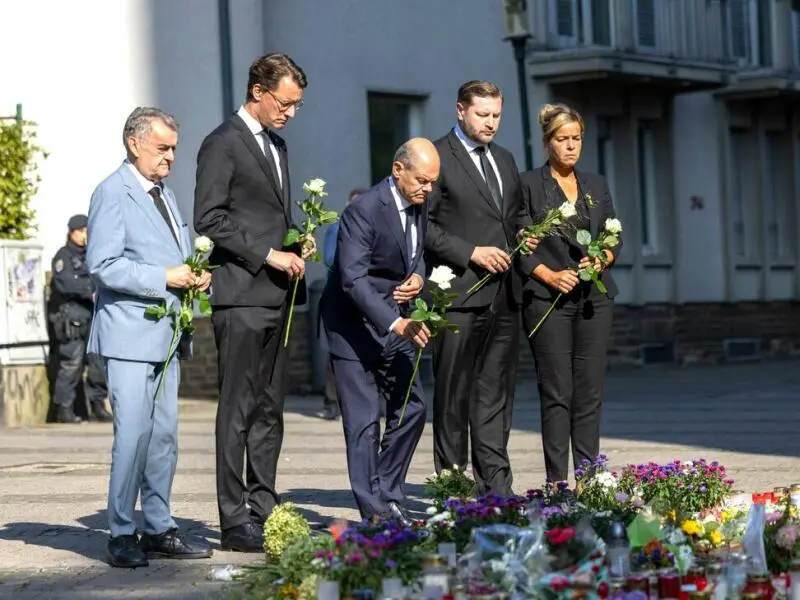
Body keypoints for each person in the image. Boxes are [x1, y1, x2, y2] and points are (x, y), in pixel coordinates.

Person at [194, 53, 314, 552]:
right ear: (258, 92)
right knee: (238, 408)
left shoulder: (277, 143)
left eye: (297, 105)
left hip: (277, 295)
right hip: (241, 294)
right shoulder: (222, 143)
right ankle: (232, 516)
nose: (290, 112)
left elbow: (267, 212)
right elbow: (209, 217)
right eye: (285, 103)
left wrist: (295, 241)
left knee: (270, 409)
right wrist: (268, 253)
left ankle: (265, 504)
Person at [86, 107, 213, 568]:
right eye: (163, 148)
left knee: (163, 439)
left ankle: (158, 526)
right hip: (128, 336)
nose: (171, 157)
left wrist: (195, 276)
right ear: (134, 143)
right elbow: (102, 265)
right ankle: (121, 532)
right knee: (134, 435)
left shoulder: (164, 194)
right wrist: (166, 276)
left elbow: (174, 255)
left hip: (167, 332)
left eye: (174, 149)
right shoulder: (112, 192)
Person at [321, 138, 438, 523]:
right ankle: (373, 511)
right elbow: (353, 280)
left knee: (413, 406)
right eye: (422, 180)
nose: (428, 189)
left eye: (433, 182)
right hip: (353, 326)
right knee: (364, 421)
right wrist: (396, 322)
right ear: (397, 169)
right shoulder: (364, 210)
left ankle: (387, 491)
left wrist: (419, 278)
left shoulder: (421, 204)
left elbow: (419, 254)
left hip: (396, 320)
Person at [424, 80, 531, 496]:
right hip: (458, 294)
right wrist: (471, 252)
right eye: (483, 114)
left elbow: (515, 215)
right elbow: (424, 227)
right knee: (453, 393)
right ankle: (453, 487)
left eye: (497, 115)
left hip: (505, 295)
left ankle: (497, 488)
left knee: (495, 393)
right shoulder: (436, 157)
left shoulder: (504, 159)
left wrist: (526, 235)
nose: (491, 123)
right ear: (460, 111)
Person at [517, 103, 622, 483]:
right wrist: (548, 275)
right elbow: (520, 243)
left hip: (594, 300)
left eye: (576, 139)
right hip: (549, 302)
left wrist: (603, 258)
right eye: (563, 139)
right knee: (557, 391)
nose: (571, 146)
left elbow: (614, 234)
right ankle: (557, 482)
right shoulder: (528, 185)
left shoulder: (595, 184)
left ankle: (590, 478)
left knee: (589, 392)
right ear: (548, 142)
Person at [47, 214, 110, 424]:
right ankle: (64, 409)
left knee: (97, 363)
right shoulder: (62, 257)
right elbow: (65, 283)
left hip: (93, 316)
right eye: (80, 231)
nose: (84, 236)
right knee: (71, 365)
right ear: (71, 232)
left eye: (87, 231)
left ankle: (98, 406)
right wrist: (89, 291)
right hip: (72, 318)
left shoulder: (93, 256)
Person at [318, 187, 366, 420]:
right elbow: (328, 258)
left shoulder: (372, 225)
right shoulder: (336, 228)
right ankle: (331, 402)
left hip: (366, 297)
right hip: (341, 295)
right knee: (335, 351)